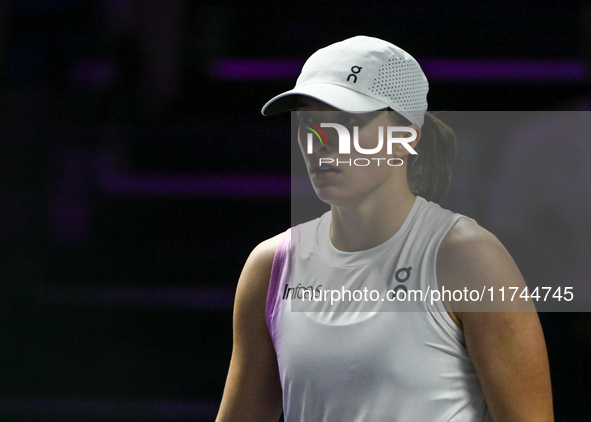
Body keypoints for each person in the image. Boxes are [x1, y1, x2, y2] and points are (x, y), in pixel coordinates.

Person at [215, 36, 553, 422]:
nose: (321, 143)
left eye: (348, 121)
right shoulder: (271, 265)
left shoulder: (468, 258)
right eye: (309, 122)